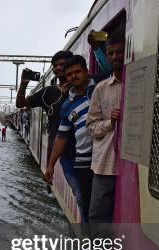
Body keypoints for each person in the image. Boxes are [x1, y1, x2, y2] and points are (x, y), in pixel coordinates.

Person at [44, 55, 96, 223]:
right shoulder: (67, 105)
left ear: (87, 71)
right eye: (69, 74)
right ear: (65, 78)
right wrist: (50, 165)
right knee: (84, 199)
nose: (74, 76)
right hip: (81, 161)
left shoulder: (99, 88)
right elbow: (61, 136)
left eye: (78, 72)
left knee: (96, 203)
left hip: (101, 157)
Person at [17, 50, 74, 196]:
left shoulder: (81, 86)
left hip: (81, 150)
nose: (58, 68)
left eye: (62, 64)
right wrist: (23, 85)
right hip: (62, 152)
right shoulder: (48, 92)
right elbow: (20, 103)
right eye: (55, 65)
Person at [87, 34, 125, 223]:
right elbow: (91, 127)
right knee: (98, 214)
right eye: (111, 53)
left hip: (131, 165)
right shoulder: (101, 89)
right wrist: (110, 122)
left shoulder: (135, 83)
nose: (116, 56)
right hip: (106, 163)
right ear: (107, 56)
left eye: (120, 52)